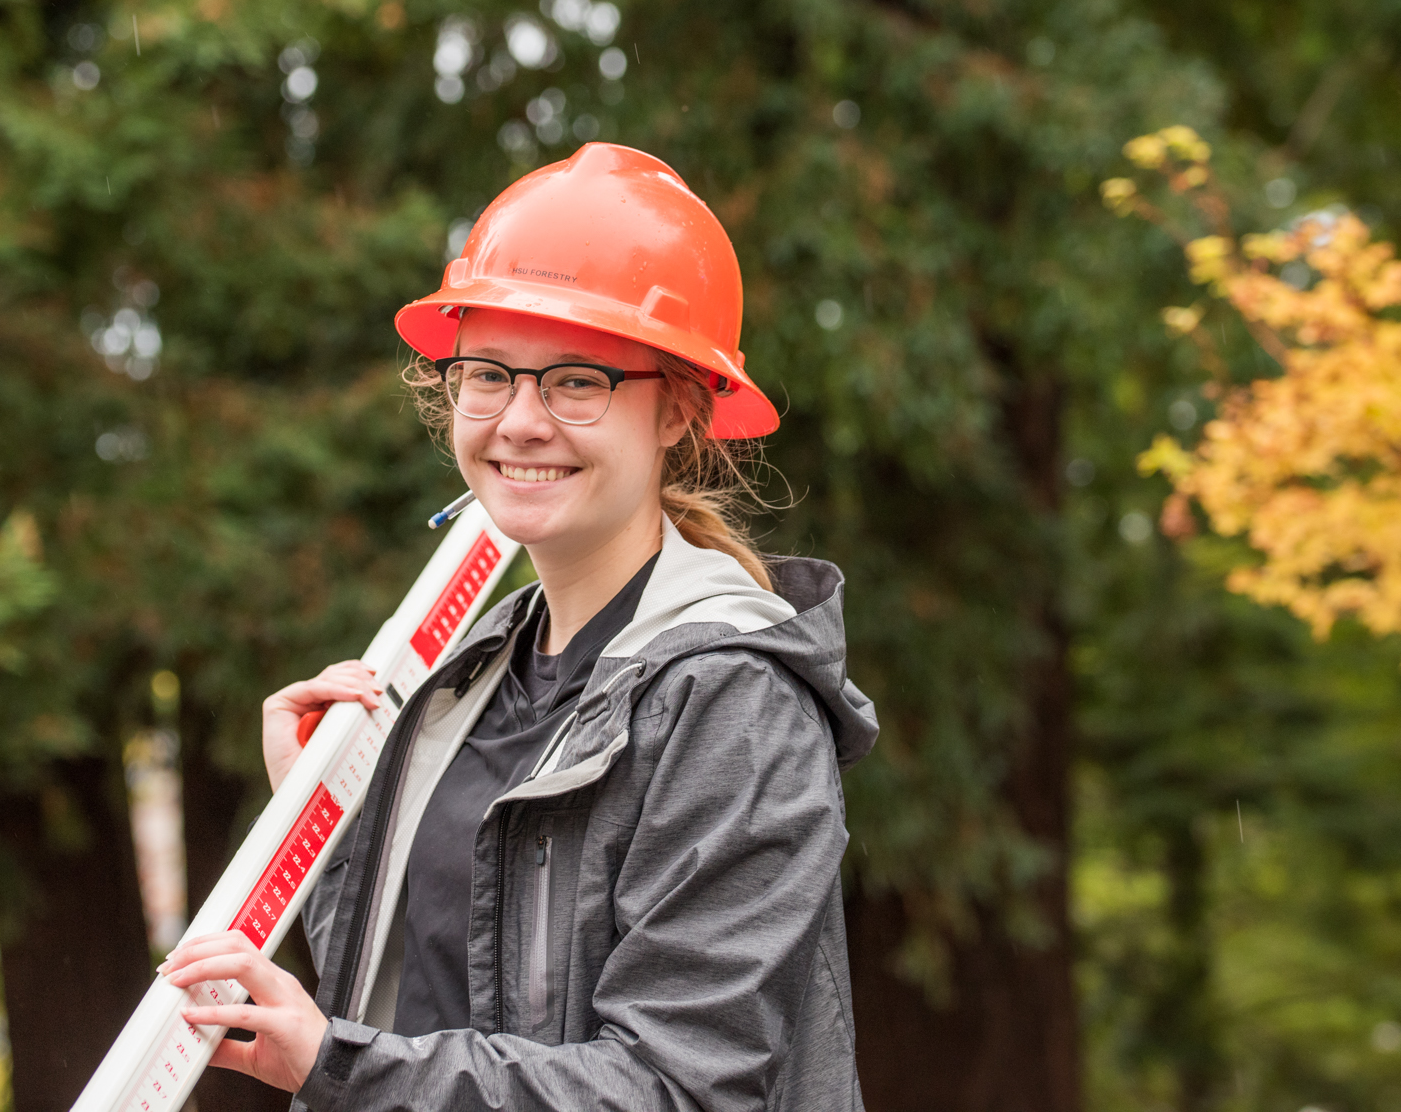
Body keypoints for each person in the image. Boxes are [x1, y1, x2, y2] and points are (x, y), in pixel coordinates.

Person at [160, 142, 879, 1110]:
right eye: (490, 373)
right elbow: (423, 1005)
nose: (521, 420)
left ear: (677, 410)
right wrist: (332, 827)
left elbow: (679, 1087)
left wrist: (336, 1062)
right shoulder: (462, 684)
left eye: (577, 380)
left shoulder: (736, 704)